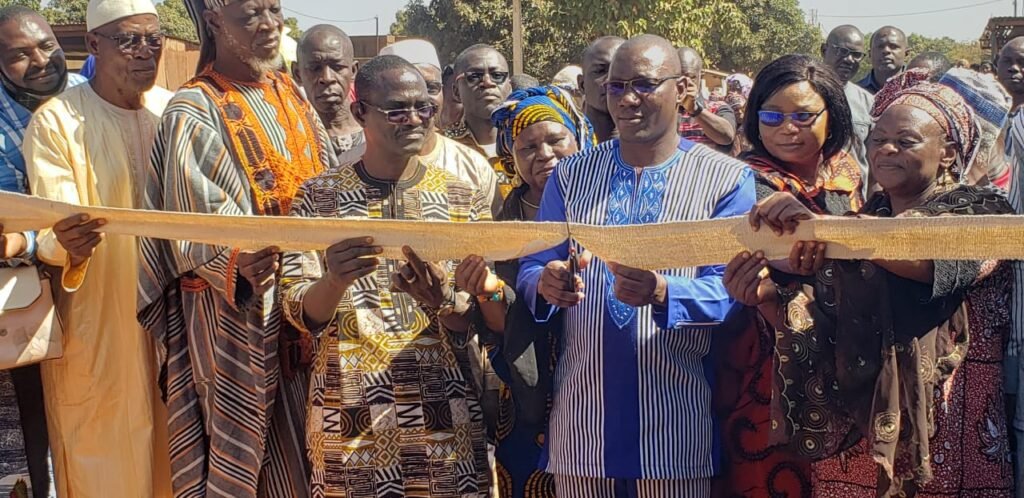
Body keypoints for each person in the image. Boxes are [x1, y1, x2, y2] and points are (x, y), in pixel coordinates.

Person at [728, 74, 1015, 498]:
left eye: (905, 140)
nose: (885, 150)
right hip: (856, 448)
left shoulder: (983, 214)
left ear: (949, 153)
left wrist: (825, 229)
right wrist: (765, 297)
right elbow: (821, 322)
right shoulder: (863, 218)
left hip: (947, 445)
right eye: (877, 139)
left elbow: (929, 262)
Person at [517, 34, 755, 496]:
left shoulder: (726, 179)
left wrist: (664, 293)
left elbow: (731, 292)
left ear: (683, 88)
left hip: (674, 429)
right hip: (581, 428)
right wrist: (547, 283)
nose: (627, 99)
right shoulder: (571, 175)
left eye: (645, 84)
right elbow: (532, 267)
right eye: (616, 85)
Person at [138, 0, 336, 495]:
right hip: (238, 318)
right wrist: (238, 260)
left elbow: (329, 184)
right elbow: (190, 224)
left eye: (275, 11)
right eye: (251, 15)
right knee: (249, 466)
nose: (269, 26)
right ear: (214, 21)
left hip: (312, 306)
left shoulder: (289, 93)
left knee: (318, 454)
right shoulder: (194, 108)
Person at [279, 54, 498, 498]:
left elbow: (473, 312)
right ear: (361, 113)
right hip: (350, 411)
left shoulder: (460, 196)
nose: (415, 118)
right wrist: (335, 280)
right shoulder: (319, 199)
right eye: (397, 109)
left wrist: (443, 300)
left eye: (425, 107)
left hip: (444, 409)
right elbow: (298, 310)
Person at [21, 0, 174, 496]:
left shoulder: (175, 111)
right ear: (93, 45)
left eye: (154, 39)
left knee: (178, 450)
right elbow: (51, 227)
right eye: (129, 40)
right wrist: (66, 244)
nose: (145, 52)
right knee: (103, 457)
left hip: (176, 318)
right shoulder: (57, 122)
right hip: (98, 321)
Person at [713, 53, 862, 498]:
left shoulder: (848, 172)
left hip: (846, 347)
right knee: (772, 474)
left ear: (830, 116)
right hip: (766, 353)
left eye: (802, 115)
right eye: (772, 116)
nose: (786, 128)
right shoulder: (742, 180)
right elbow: (778, 261)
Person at [489, 85, 595, 497]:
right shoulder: (503, 214)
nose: (544, 154)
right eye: (528, 146)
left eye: (556, 139)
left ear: (579, 137)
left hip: (591, 369)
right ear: (512, 158)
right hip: (524, 376)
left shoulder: (600, 203)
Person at [0, 6, 85, 498]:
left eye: (47, 45)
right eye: (19, 55)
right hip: (23, 300)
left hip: (98, 286)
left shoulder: (88, 101)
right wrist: (28, 242)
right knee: (34, 437)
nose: (40, 61)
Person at [380, 38, 502, 217]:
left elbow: (498, 240)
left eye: (430, 88)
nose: (420, 99)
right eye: (403, 89)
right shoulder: (351, 165)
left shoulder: (474, 167)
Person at [293, 24, 363, 165]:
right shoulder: (291, 138)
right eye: (315, 68)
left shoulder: (379, 132)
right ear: (297, 74)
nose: (327, 78)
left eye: (337, 67)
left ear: (353, 71)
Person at [822, 25, 875, 195]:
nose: (849, 59)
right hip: (811, 199)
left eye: (856, 55)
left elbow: (874, 160)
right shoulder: (803, 94)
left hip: (856, 203)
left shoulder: (868, 102)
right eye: (842, 51)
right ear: (824, 50)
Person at [445, 44, 512, 169]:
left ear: (509, 88)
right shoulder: (441, 147)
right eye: (474, 76)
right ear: (456, 91)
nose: (487, 82)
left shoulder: (527, 141)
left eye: (497, 75)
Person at [676, 47, 736, 153]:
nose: (686, 83)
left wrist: (695, 109)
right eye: (680, 77)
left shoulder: (718, 108)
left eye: (691, 77)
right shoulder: (661, 110)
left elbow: (727, 137)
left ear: (700, 76)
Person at [578, 36, 625, 142]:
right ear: (582, 84)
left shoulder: (650, 148)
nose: (610, 80)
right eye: (600, 71)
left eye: (620, 71)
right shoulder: (566, 144)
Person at [858, 25, 909, 94]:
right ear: (870, 54)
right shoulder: (857, 92)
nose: (886, 51)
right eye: (880, 47)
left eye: (893, 46)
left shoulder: (918, 88)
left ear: (906, 53)